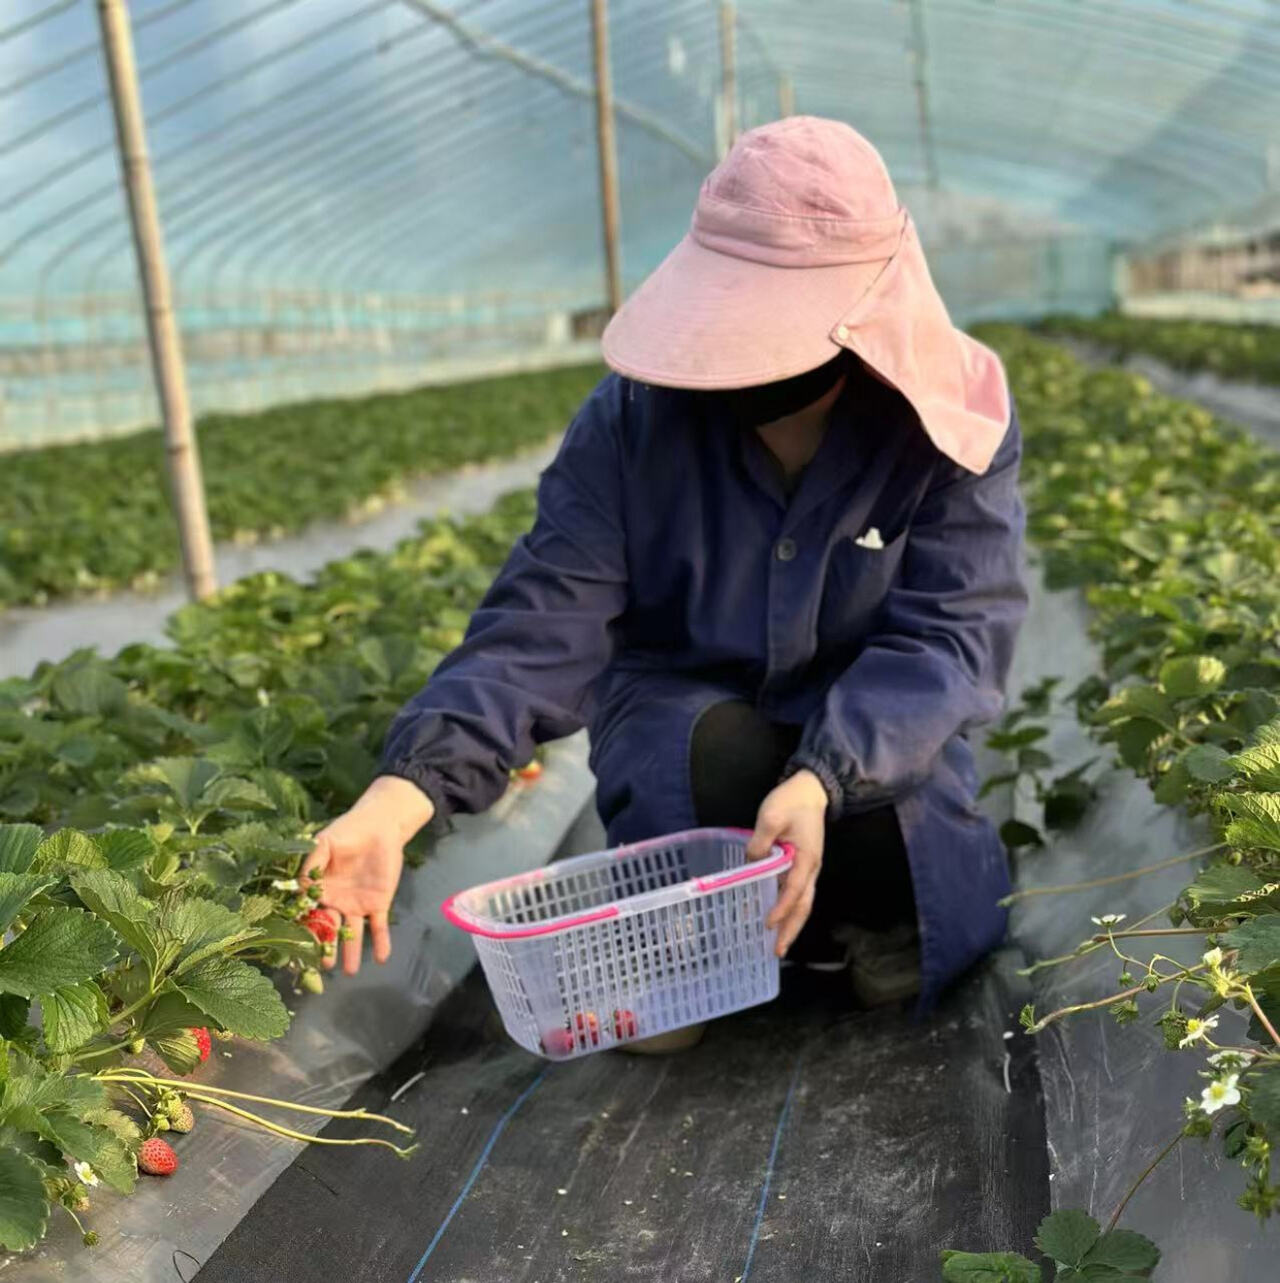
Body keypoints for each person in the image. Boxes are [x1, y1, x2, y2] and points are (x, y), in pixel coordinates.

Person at [303, 116, 1026, 1039]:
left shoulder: (948, 424)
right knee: (696, 751)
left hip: (867, 747)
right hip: (693, 738)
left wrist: (821, 779)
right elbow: (542, 624)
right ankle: (692, 945)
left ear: (866, 311)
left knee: (893, 815)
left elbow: (953, 638)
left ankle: (874, 917)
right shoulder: (633, 426)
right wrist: (402, 795)